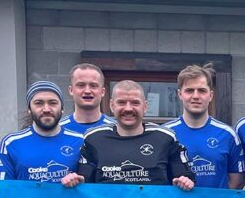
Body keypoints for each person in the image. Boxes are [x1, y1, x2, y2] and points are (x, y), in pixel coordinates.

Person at [61, 80, 194, 189]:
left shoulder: (166, 138)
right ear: (112, 105)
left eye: (135, 103)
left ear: (145, 106)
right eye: (121, 102)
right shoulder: (93, 138)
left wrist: (185, 181)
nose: (128, 108)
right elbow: (84, 179)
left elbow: (183, 176)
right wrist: (76, 180)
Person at [162, 64, 245, 189]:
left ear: (210, 95)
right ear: (180, 94)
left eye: (202, 90)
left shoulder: (228, 135)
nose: (196, 96)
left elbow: (237, 182)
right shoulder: (165, 134)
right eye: (189, 90)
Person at [0, 81, 85, 182]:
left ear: (62, 108)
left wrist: (79, 181)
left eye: (53, 103)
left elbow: (90, 186)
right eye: (38, 103)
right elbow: (0, 188)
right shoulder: (11, 143)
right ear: (29, 109)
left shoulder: (80, 141)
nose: (46, 109)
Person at [59, 63, 116, 135]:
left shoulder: (116, 129)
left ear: (102, 92)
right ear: (71, 90)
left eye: (93, 85)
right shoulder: (58, 130)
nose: (87, 91)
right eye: (81, 85)